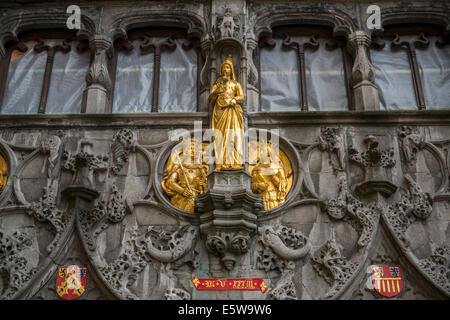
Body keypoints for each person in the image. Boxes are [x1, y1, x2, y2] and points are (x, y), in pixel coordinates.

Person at [207, 54, 244, 170]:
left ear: (231, 69)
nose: (225, 69)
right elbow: (210, 99)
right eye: (224, 67)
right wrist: (217, 90)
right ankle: (220, 162)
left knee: (233, 135)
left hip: (232, 111)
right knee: (221, 137)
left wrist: (234, 99)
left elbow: (242, 97)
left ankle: (235, 162)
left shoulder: (235, 84)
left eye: (228, 67)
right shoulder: (217, 84)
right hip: (219, 112)